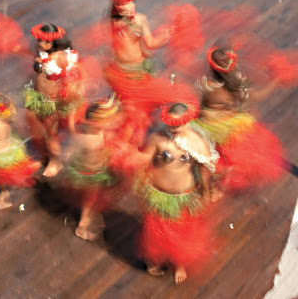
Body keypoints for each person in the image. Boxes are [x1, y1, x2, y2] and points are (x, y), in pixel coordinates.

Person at [134, 102, 218, 284]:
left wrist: (206, 192)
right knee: (155, 230)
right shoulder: (157, 138)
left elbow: (204, 171)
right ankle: (154, 259)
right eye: (170, 124)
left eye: (178, 125)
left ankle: (180, 263)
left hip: (184, 195)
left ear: (188, 122)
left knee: (182, 231)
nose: (173, 128)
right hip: (158, 193)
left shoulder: (197, 143)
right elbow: (145, 160)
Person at [194, 43, 284, 201]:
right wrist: (275, 82)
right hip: (229, 127)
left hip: (208, 127)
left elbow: (202, 109)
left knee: (210, 161)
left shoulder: (207, 85)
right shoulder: (236, 87)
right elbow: (258, 95)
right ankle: (226, 179)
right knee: (236, 156)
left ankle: (212, 188)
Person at [103, 0, 175, 143]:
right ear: (117, 6)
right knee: (126, 108)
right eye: (127, 4)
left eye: (133, 3)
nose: (132, 7)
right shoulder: (112, 23)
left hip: (138, 70)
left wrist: (164, 37)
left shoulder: (140, 19)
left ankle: (137, 138)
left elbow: (149, 43)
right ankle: (126, 140)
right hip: (120, 72)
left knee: (139, 108)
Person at [24, 23, 84, 177]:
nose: (38, 44)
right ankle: (44, 158)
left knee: (50, 135)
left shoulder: (60, 57)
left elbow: (72, 77)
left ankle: (56, 162)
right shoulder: (40, 53)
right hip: (38, 99)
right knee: (38, 131)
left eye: (41, 41)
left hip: (52, 102)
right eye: (37, 40)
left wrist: (66, 97)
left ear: (51, 42)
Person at [61, 96, 122, 241]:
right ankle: (82, 225)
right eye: (107, 120)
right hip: (91, 174)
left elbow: (74, 137)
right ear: (97, 123)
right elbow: (71, 151)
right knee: (89, 199)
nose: (110, 122)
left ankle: (86, 215)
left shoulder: (87, 131)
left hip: (86, 169)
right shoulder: (91, 139)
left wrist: (70, 119)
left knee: (90, 197)